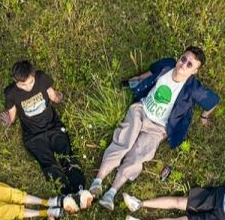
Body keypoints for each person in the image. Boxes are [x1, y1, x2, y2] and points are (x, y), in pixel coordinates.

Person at [89, 46, 218, 210]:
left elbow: (213, 102)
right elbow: (150, 72)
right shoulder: (167, 65)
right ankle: (98, 180)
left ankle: (111, 193)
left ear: (194, 71)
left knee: (139, 155)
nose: (183, 64)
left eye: (190, 65)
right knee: (124, 141)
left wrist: (204, 117)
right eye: (183, 59)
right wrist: (135, 81)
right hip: (141, 111)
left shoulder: (193, 88)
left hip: (158, 128)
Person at [1, 59, 92, 213]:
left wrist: (59, 97)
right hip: (33, 136)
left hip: (53, 126)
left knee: (66, 155)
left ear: (33, 75)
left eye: (30, 82)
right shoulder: (11, 93)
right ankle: (66, 195)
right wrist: (9, 120)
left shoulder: (41, 78)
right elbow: (12, 114)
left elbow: (53, 96)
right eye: (23, 85)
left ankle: (80, 189)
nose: (28, 87)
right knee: (48, 163)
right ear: (15, 81)